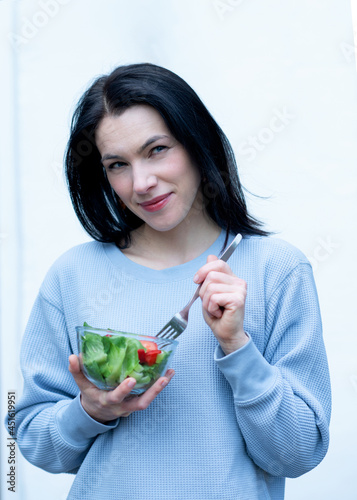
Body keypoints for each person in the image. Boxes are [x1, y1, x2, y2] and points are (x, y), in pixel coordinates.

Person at [13, 63, 331, 500]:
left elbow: (299, 453)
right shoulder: (73, 276)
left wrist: (238, 346)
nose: (141, 182)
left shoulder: (278, 271)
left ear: (198, 143)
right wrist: (90, 410)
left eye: (158, 149)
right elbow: (29, 437)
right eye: (118, 164)